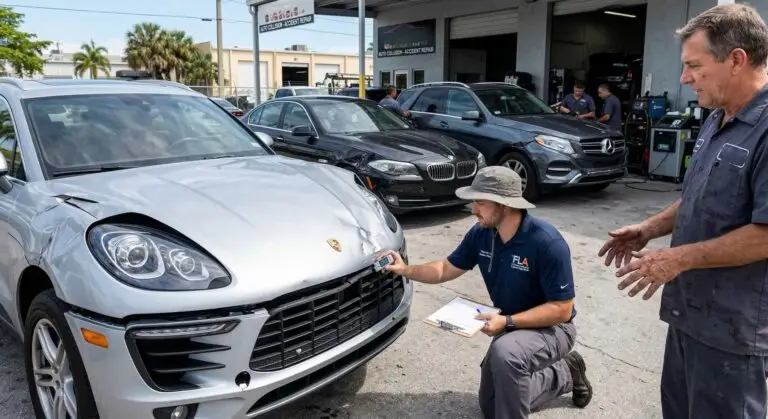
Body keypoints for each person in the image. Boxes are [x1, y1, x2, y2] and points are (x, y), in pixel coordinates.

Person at [597, 4, 768, 418]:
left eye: (694, 65)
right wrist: (649, 228)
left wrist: (675, 259)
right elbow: (700, 193)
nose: (684, 78)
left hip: (734, 332)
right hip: (691, 316)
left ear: (736, 60)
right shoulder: (717, 119)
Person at [381, 165, 592, 419]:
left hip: (553, 329)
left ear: (504, 205)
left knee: (507, 355)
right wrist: (405, 269)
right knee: (492, 406)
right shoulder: (481, 234)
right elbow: (443, 269)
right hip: (510, 327)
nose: (473, 210)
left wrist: (507, 321)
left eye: (480, 202)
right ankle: (566, 372)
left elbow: (562, 309)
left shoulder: (546, 243)